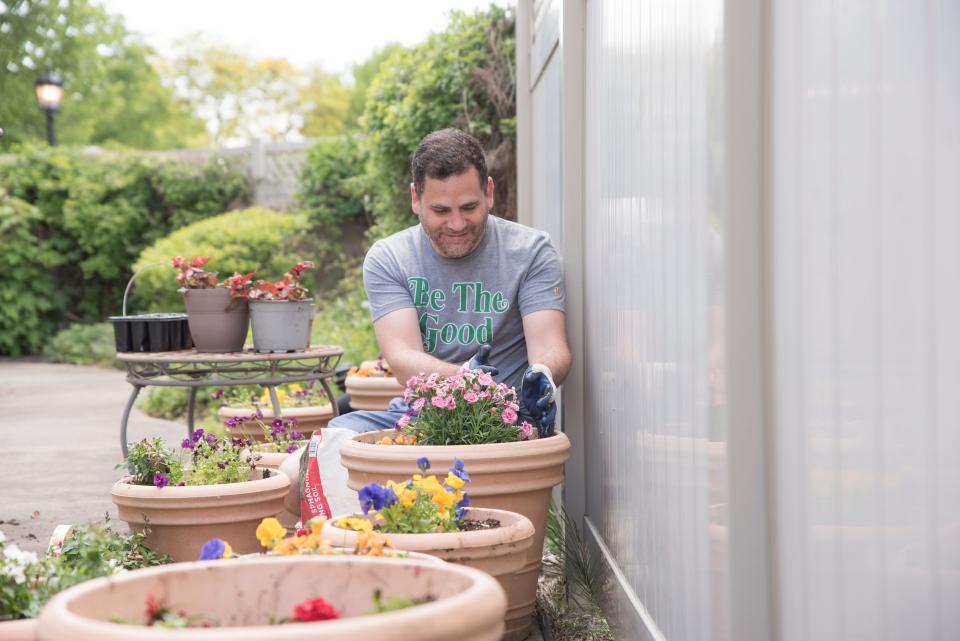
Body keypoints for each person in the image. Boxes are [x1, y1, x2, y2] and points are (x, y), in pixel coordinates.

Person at [329, 128, 571, 436]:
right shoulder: (390, 258)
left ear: (489, 193)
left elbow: (552, 346)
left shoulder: (530, 252)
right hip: (420, 417)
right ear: (416, 199)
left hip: (506, 422)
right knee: (320, 451)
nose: (457, 224)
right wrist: (465, 378)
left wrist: (543, 374)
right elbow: (402, 358)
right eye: (441, 210)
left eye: (469, 207)